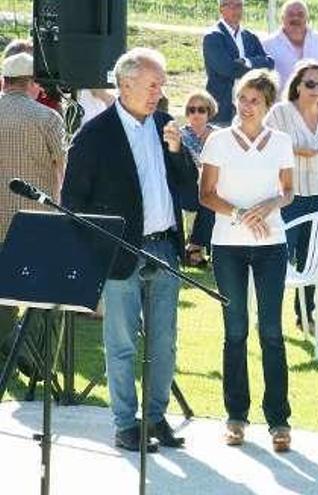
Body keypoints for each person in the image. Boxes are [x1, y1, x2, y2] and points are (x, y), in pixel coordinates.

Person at [62, 47, 198, 453]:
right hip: (121, 254)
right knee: (121, 343)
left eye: (162, 84)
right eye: (152, 84)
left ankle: (156, 419)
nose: (159, 91)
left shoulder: (164, 126)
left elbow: (189, 191)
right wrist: (100, 250)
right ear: (125, 84)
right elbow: (72, 203)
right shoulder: (95, 133)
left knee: (164, 342)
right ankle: (125, 424)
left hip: (164, 250)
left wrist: (178, 153)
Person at [199, 69, 294, 452]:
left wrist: (270, 204)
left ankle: (279, 420)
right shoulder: (219, 140)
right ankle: (236, 415)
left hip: (273, 244)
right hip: (228, 246)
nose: (246, 106)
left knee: (271, 331)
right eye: (242, 98)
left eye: (255, 100)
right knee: (235, 331)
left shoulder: (281, 141)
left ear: (268, 105)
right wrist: (240, 214)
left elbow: (288, 191)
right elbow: (206, 194)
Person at [265, 60, 318, 330]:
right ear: (297, 84)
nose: (316, 89)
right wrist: (296, 149)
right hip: (289, 194)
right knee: (279, 256)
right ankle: (269, 316)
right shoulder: (280, 112)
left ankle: (306, 315)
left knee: (313, 257)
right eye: (310, 83)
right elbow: (265, 145)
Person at [0, 53, 65, 239]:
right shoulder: (48, 118)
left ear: (5, 81)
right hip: (36, 223)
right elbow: (64, 168)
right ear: (32, 83)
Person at [203, 0, 275, 125]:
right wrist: (256, 70)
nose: (235, 10)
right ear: (221, 9)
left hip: (250, 107)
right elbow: (227, 69)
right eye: (231, 5)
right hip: (222, 107)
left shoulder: (250, 37)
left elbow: (269, 63)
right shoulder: (213, 37)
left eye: (239, 5)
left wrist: (247, 62)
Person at [181, 90, 220, 268]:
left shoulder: (220, 136)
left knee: (211, 198)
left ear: (209, 112)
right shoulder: (180, 136)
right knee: (208, 200)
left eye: (201, 110)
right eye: (192, 110)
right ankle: (198, 247)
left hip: (215, 187)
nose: (196, 114)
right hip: (187, 190)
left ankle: (195, 247)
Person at [262, 0, 318, 92]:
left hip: (317, 103)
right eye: (290, 14)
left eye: (300, 14)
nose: (296, 18)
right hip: (280, 104)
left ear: (307, 18)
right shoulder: (267, 45)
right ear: (282, 18)